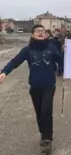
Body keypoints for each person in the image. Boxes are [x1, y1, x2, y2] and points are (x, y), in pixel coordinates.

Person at [0, 25, 62, 154]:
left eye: (42, 31)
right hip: (35, 86)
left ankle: (47, 140)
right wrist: (5, 71)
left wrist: (66, 52)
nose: (40, 32)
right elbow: (15, 61)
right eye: (37, 31)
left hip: (49, 85)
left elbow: (61, 61)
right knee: (39, 113)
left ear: (46, 34)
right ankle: (43, 132)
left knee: (46, 111)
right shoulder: (27, 50)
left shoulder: (51, 48)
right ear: (33, 35)